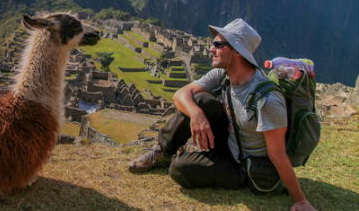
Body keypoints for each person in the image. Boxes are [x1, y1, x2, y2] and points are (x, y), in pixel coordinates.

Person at [128, 19, 318, 211]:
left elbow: (277, 154)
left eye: (218, 44)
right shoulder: (222, 75)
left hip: (243, 165)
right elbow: (180, 94)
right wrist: (196, 115)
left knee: (180, 170)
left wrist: (299, 199)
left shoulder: (267, 100)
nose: (211, 49)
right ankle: (160, 152)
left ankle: (199, 165)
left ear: (236, 51)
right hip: (228, 141)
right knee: (200, 101)